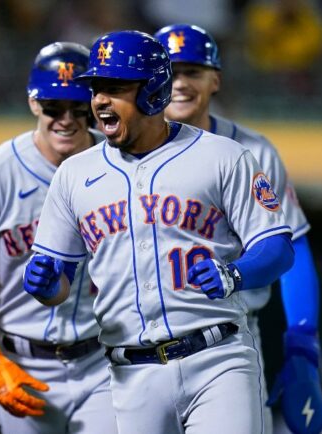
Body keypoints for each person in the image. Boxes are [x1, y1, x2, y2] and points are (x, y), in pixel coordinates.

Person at [23, 30, 296, 434]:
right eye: (96, 88)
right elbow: (60, 279)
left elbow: (277, 247)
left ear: (153, 92)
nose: (98, 100)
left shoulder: (222, 156)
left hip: (216, 358)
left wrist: (234, 274)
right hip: (130, 374)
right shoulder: (74, 174)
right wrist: (46, 286)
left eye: (114, 88)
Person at [154, 23, 322, 434]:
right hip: (137, 344)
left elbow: (294, 248)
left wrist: (302, 346)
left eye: (192, 71)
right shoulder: (117, 154)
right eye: (170, 72)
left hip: (229, 340)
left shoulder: (254, 150)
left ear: (215, 79)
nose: (180, 83)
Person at [0, 42, 116, 433]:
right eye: (54, 106)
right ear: (34, 103)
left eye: (78, 107)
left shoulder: (120, 165)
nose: (67, 119)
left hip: (105, 360)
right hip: (23, 359)